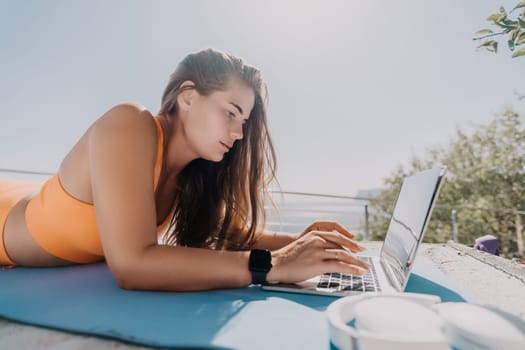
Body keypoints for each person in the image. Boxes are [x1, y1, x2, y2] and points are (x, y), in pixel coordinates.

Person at [0, 48, 370, 291]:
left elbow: (234, 233)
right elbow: (132, 264)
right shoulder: (130, 123)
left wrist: (304, 244)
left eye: (243, 120)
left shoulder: (189, 176)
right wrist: (269, 266)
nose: (239, 133)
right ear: (188, 96)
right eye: (230, 112)